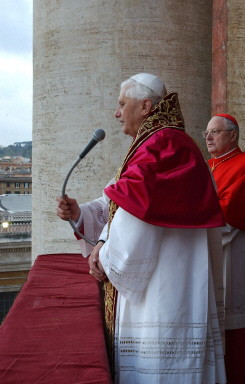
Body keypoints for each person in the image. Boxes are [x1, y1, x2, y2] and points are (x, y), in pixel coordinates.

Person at [57, 73, 227, 384]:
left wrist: (105, 254)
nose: (116, 112)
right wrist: (82, 213)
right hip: (176, 280)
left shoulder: (161, 146)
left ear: (146, 106)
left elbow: (136, 215)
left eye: (122, 104)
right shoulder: (163, 142)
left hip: (163, 290)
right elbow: (122, 196)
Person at [204, 114, 245, 384]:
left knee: (232, 320)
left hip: (233, 252)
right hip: (209, 252)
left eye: (215, 132)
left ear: (233, 135)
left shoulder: (242, 165)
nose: (208, 137)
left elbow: (229, 212)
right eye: (207, 132)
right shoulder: (209, 165)